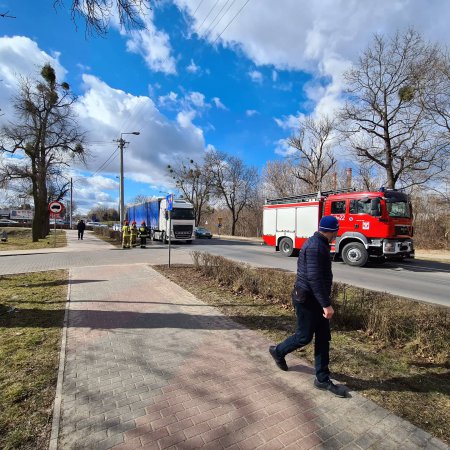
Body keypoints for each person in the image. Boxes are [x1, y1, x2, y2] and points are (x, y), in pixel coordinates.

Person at [269, 215, 346, 398]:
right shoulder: (315, 246)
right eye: (337, 231)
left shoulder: (320, 244)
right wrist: (326, 305)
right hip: (307, 300)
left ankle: (322, 378)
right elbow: (314, 279)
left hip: (316, 299)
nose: (337, 234)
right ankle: (278, 351)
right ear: (331, 231)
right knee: (304, 337)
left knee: (323, 337)